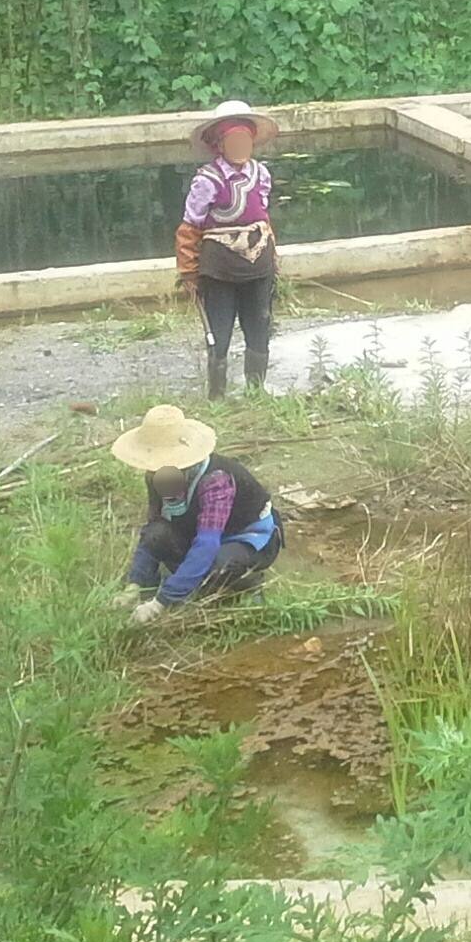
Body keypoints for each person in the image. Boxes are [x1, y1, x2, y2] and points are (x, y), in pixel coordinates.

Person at [115, 403, 284, 622]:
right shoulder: (154, 476)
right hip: (197, 532)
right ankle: (179, 580)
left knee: (219, 565)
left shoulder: (216, 480)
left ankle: (248, 582)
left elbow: (207, 543)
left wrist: (161, 603)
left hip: (248, 539)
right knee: (157, 534)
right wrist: (134, 584)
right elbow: (152, 528)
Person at [176, 100, 281, 398]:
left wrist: (273, 257)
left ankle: (256, 391)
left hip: (258, 264)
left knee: (259, 325)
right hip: (219, 268)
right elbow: (189, 228)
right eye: (234, 140)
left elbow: (264, 218)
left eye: (245, 140)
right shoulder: (206, 181)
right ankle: (217, 396)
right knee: (218, 332)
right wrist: (188, 271)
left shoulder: (260, 174)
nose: (240, 146)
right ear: (220, 144)